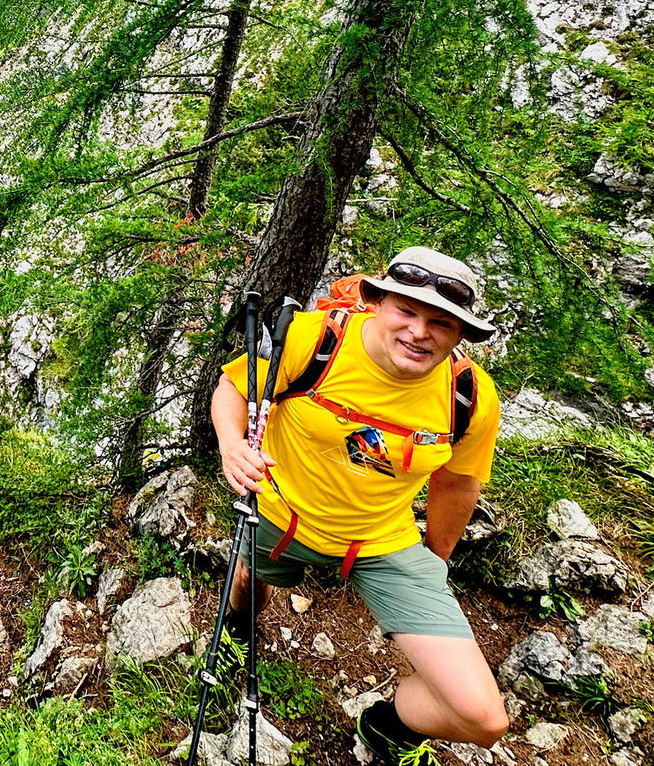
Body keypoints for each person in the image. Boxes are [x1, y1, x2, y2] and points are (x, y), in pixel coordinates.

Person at [212, 247, 510, 764]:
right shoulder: (313, 339)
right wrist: (232, 445)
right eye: (407, 311)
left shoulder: (470, 396)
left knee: (484, 719)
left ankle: (386, 727)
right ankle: (238, 636)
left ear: (461, 334)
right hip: (282, 513)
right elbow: (233, 388)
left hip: (381, 542)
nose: (419, 332)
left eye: (441, 323)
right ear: (375, 302)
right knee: (245, 581)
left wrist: (435, 560)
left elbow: (457, 485)